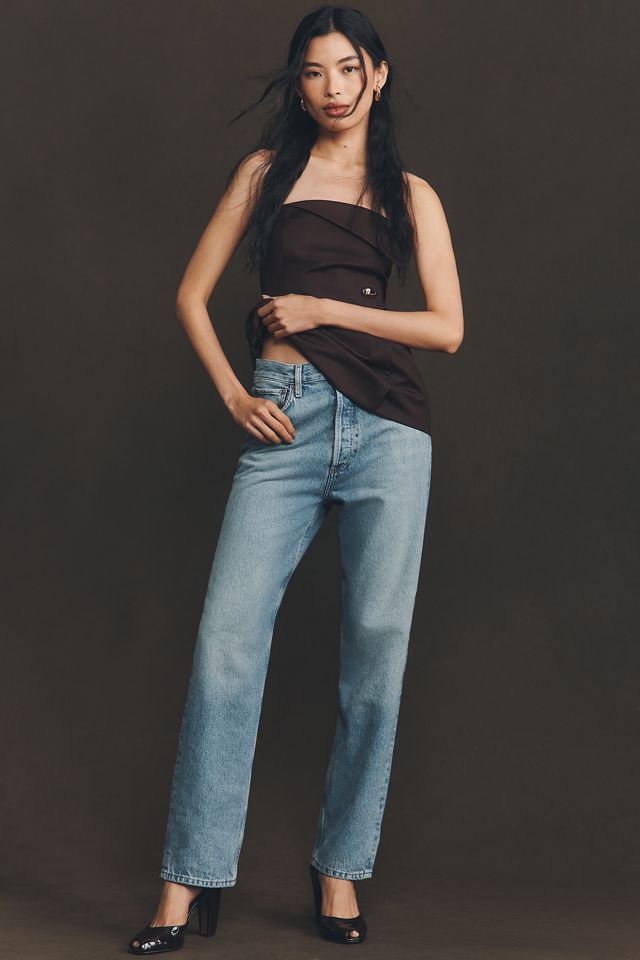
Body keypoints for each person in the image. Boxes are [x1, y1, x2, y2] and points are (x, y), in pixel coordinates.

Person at [128, 6, 463, 954]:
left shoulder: (411, 194)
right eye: (314, 73)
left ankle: (340, 867)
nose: (333, 89)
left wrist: (323, 307)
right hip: (285, 412)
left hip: (389, 428)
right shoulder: (266, 173)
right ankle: (186, 882)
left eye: (349, 69)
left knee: (376, 652)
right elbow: (191, 295)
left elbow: (447, 329)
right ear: (300, 85)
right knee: (227, 643)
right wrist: (237, 394)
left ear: (378, 75)